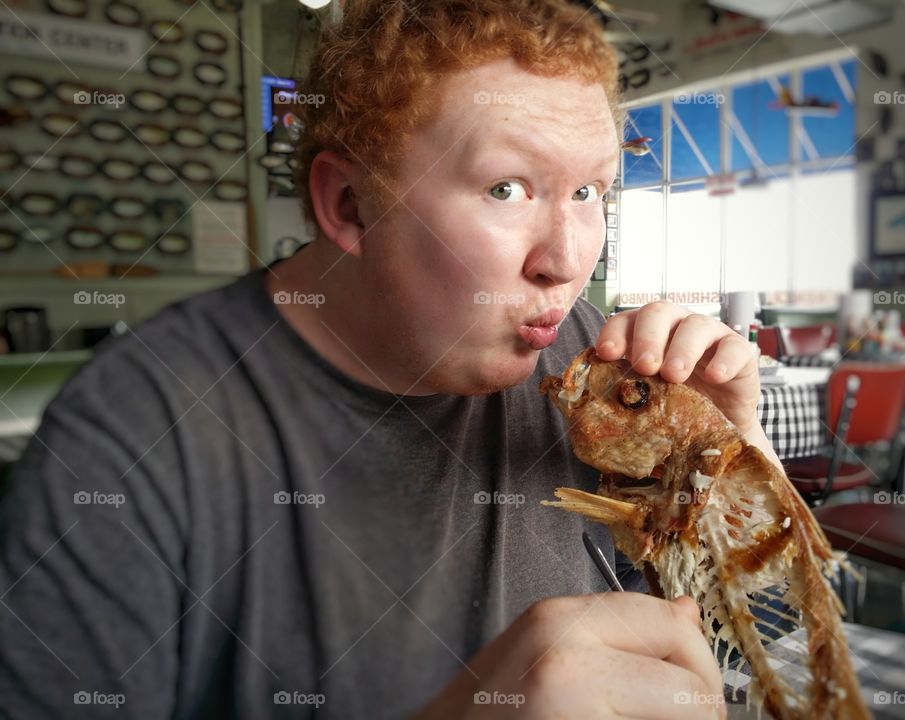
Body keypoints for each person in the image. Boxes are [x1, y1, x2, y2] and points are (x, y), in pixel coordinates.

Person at [0, 1, 776, 717]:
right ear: (348, 206)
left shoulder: (589, 359)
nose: (566, 262)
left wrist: (736, 459)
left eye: (589, 193)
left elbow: (733, 602)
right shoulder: (136, 434)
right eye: (506, 188)